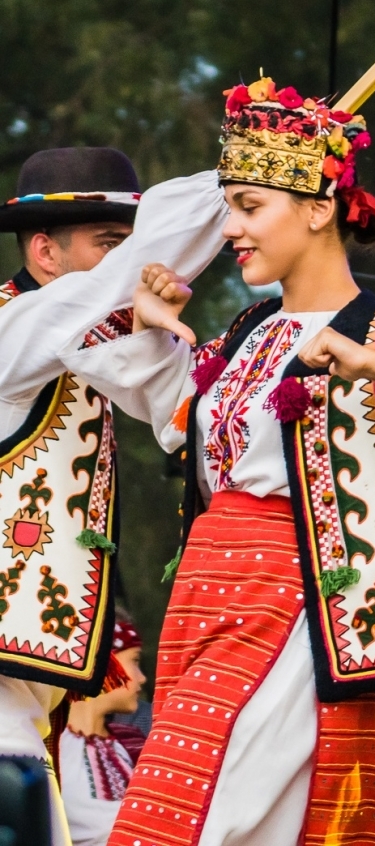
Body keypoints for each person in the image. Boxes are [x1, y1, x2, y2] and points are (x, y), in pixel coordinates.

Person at [59, 75, 375, 846]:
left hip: (301, 614)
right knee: (179, 817)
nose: (231, 231)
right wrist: (147, 324)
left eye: (249, 208)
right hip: (208, 604)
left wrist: (371, 363)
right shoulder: (246, 333)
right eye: (229, 210)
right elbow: (173, 419)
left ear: (320, 207)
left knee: (228, 821)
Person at [0, 147, 225, 846]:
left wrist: (154, 330)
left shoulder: (84, 338)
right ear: (44, 250)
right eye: (110, 245)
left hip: (30, 697)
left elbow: (185, 419)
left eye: (131, 245)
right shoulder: (12, 333)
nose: (133, 265)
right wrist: (242, 180)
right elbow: (103, 298)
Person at [59, 616, 147, 846]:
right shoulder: (48, 750)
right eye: (134, 661)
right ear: (104, 663)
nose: (142, 677)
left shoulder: (135, 745)